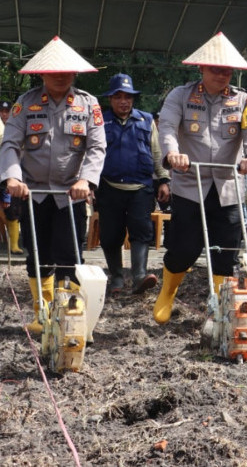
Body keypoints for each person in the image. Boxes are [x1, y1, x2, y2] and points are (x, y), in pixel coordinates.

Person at [153, 32, 247, 325]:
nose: (222, 74)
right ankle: (167, 292)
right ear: (201, 68)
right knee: (184, 248)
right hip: (190, 185)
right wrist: (173, 153)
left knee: (226, 251)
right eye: (215, 69)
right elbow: (166, 127)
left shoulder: (244, 100)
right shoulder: (181, 95)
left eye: (227, 70)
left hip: (229, 186)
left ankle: (219, 308)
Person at [0, 36, 106, 333]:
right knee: (37, 252)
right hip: (32, 192)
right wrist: (12, 176)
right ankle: (42, 311)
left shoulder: (88, 104)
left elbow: (97, 148)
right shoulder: (26, 103)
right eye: (53, 71)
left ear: (74, 74)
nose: (60, 76)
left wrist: (86, 179)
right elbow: (9, 143)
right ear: (42, 73)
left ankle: (71, 312)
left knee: (70, 254)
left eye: (66, 71)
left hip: (71, 192)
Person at [97, 74, 171, 295]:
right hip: (109, 187)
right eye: (118, 97)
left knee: (142, 232)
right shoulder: (100, 121)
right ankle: (117, 278)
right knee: (110, 235)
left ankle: (139, 275)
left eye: (128, 97)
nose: (123, 101)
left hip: (141, 188)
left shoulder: (146, 120)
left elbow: (157, 153)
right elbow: (92, 153)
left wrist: (164, 179)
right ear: (110, 99)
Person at [0, 99, 23, 255]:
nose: (5, 114)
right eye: (2, 111)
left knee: (13, 208)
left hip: (12, 172)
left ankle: (14, 244)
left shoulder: (18, 126)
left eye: (7, 111)